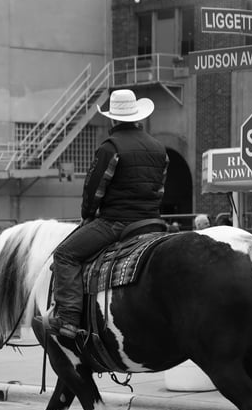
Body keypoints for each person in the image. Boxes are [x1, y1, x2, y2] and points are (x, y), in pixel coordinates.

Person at [47, 89, 169, 338]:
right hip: (153, 223)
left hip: (116, 222)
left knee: (64, 255)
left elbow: (94, 189)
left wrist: (87, 214)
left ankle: (69, 318)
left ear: (112, 119)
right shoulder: (159, 148)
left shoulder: (110, 147)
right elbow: (160, 188)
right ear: (137, 116)